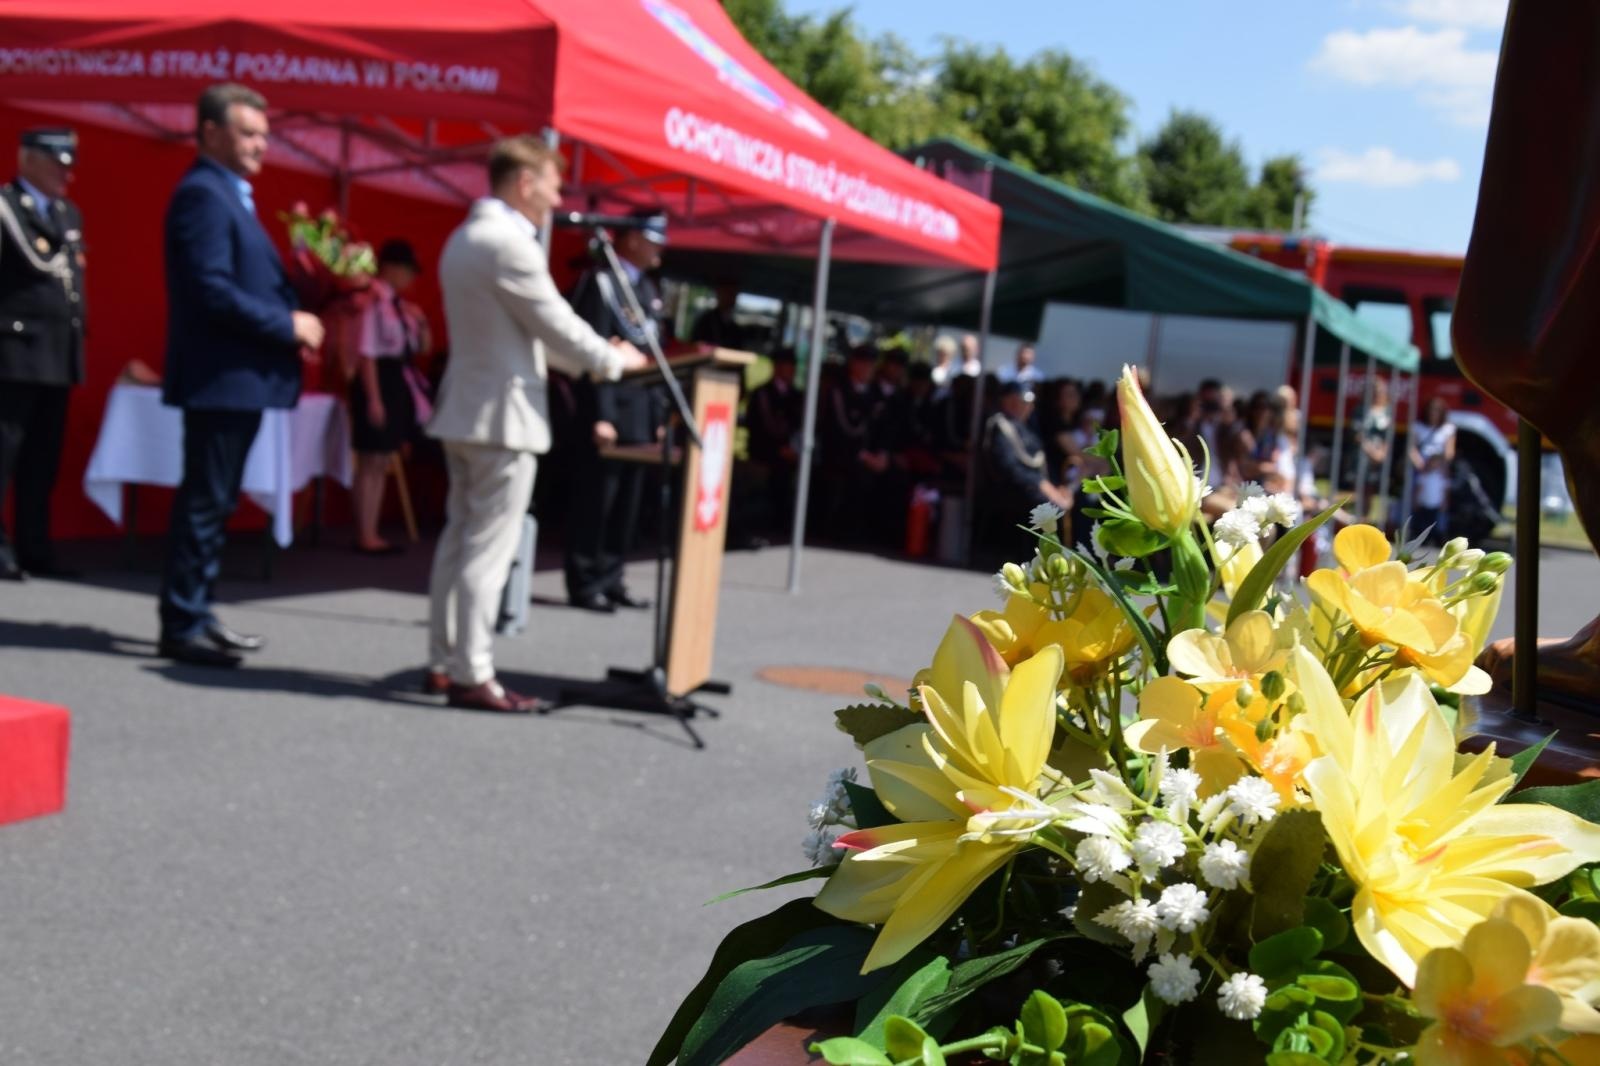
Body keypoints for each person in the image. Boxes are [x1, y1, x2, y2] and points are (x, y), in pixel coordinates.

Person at [425, 136, 646, 712]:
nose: (555, 198)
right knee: (486, 552)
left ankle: (444, 662)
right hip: (503, 417)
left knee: (459, 542)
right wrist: (611, 359)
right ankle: (473, 672)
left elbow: (523, 335)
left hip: (468, 409)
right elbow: (555, 323)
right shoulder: (508, 243)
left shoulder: (463, 238)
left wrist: (590, 355)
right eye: (551, 184)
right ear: (524, 181)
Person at [157, 85, 326, 667]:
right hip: (221, 376)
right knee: (206, 501)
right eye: (248, 132)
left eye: (263, 133)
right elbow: (210, 291)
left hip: (236, 376)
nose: (261, 144)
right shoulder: (204, 195)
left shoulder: (229, 194)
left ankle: (196, 611)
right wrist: (287, 324)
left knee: (216, 500)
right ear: (209, 132)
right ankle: (183, 620)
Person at [563, 209, 668, 612]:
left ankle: (612, 576)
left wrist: (658, 419)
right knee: (597, 500)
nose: (660, 249)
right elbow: (594, 356)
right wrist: (601, 414)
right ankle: (586, 581)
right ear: (633, 240)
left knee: (627, 503)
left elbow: (651, 355)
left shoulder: (646, 288)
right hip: (609, 411)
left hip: (641, 413)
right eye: (654, 239)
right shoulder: (601, 284)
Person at [0, 128, 86, 581]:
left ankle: (35, 546)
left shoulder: (68, 214)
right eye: (56, 162)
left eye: (68, 163)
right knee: (4, 455)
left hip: (56, 355)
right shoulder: (7, 207)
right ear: (27, 159)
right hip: (13, 353)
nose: (65, 172)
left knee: (42, 461)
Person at [348, 239, 428, 555]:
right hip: (377, 380)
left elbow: (420, 347)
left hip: (395, 379)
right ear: (392, 269)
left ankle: (372, 529)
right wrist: (374, 398)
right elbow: (367, 353)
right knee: (370, 458)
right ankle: (364, 531)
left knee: (381, 460)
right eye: (408, 271)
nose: (410, 278)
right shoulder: (372, 300)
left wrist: (419, 321)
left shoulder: (400, 306)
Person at [983, 382, 1072, 517]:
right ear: (1006, 401)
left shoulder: (1028, 427)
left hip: (1033, 489)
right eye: (1021, 401)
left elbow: (1041, 460)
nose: (1027, 407)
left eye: (1029, 403)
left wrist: (1055, 486)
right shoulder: (1001, 425)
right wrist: (1040, 484)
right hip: (1013, 496)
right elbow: (1008, 466)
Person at [744, 347, 803, 537]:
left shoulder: (797, 396)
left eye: (793, 365)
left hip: (789, 453)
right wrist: (779, 449)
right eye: (788, 365)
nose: (791, 370)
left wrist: (793, 449)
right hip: (765, 452)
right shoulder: (762, 394)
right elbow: (760, 427)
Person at [1409, 395, 1455, 541]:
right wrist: (1421, 465)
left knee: (1439, 502)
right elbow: (1412, 448)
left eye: (1437, 410)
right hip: (1421, 468)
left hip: (1438, 470)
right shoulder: (1418, 426)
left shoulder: (1448, 429)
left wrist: (1436, 463)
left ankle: (1437, 533)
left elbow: (1449, 452)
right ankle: (1415, 530)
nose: (1433, 413)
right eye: (1431, 410)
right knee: (1417, 499)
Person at [689, 282, 749, 350]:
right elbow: (695, 345)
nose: (731, 297)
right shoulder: (706, 321)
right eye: (728, 293)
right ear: (719, 294)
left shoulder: (735, 328)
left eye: (733, 294)